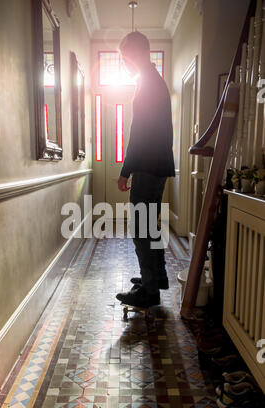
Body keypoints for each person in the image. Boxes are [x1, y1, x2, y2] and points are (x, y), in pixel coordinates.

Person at [116, 31, 175, 308]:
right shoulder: (154, 81)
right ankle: (156, 277)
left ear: (136, 53)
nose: (124, 63)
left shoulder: (148, 84)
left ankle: (150, 290)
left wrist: (125, 170)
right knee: (149, 225)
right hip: (158, 164)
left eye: (125, 57)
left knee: (140, 227)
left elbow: (138, 133)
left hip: (148, 166)